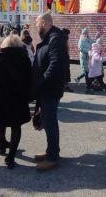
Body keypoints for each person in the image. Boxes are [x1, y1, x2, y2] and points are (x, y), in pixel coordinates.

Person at [0, 34, 33, 168]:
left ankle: (2, 145)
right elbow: (30, 81)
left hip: (0, 98)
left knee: (1, 123)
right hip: (18, 98)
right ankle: (11, 157)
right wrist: (30, 97)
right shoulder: (24, 59)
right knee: (16, 127)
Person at [32, 13, 68, 171]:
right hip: (47, 88)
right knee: (47, 121)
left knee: (50, 122)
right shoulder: (50, 37)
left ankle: (53, 157)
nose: (36, 26)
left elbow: (55, 63)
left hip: (50, 88)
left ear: (44, 23)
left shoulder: (55, 38)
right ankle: (50, 151)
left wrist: (42, 81)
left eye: (37, 23)